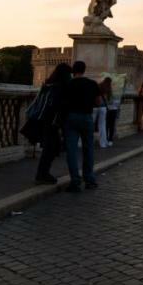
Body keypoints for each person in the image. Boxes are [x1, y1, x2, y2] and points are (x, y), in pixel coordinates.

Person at [61, 61, 101, 192]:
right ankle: (89, 179)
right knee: (88, 149)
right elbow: (98, 102)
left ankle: (75, 181)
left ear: (73, 71)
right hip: (87, 118)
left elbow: (62, 102)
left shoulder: (68, 84)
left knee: (72, 151)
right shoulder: (92, 84)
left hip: (71, 117)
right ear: (84, 70)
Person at [34, 63, 71, 184]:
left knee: (50, 148)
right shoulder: (60, 87)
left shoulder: (48, 85)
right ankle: (42, 174)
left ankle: (43, 173)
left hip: (43, 120)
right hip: (53, 122)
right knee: (51, 148)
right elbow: (60, 106)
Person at [95, 77, 113, 149]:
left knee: (90, 124)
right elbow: (109, 99)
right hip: (103, 107)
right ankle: (103, 143)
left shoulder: (99, 85)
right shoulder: (109, 88)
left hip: (95, 106)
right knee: (102, 126)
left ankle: (84, 142)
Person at [105, 79, 121, 146]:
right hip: (113, 109)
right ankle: (110, 140)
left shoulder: (105, 91)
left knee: (106, 125)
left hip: (107, 109)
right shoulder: (115, 92)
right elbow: (117, 102)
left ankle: (106, 139)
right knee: (111, 125)